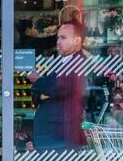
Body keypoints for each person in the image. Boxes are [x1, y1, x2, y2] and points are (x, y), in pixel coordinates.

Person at [30, 21, 87, 150]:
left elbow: (57, 88)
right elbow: (40, 92)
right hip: (53, 135)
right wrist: (42, 93)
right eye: (58, 37)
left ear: (77, 40)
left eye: (63, 37)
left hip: (61, 136)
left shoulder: (78, 63)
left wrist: (37, 80)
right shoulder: (62, 62)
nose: (58, 42)